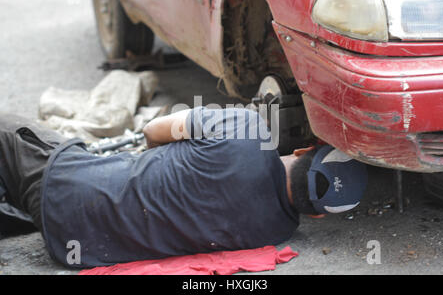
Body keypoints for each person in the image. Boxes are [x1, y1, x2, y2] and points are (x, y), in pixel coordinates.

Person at [0, 106, 367, 268]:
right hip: (70, 244)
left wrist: (167, 162)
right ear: (317, 215)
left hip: (65, 182)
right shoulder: (277, 232)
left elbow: (152, 131)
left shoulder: (247, 129)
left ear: (305, 149)